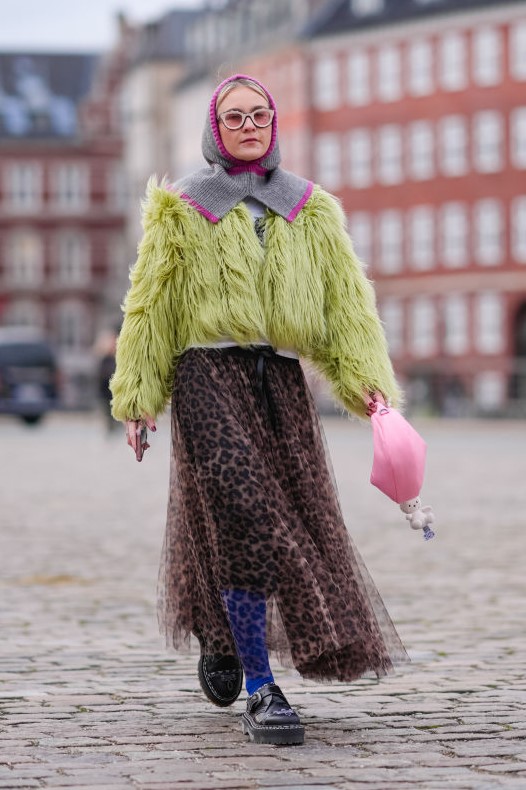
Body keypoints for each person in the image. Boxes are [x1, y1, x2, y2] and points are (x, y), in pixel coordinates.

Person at [110, 74, 408, 746]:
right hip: (204, 372)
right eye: (234, 116)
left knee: (255, 517)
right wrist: (136, 397)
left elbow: (346, 308)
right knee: (246, 511)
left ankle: (222, 633)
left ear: (275, 122)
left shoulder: (312, 209)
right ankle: (260, 688)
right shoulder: (182, 207)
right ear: (215, 129)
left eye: (259, 114)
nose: (248, 125)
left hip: (277, 377)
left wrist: (369, 385)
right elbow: (148, 305)